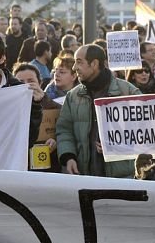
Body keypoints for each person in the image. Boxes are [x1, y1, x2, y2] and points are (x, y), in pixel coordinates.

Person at [56, 44, 140, 177]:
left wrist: (117, 144)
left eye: (79, 62)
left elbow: (145, 132)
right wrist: (68, 156)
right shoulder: (73, 96)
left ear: (94, 64)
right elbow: (64, 130)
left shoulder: (128, 92)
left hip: (122, 179)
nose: (74, 67)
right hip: (85, 177)